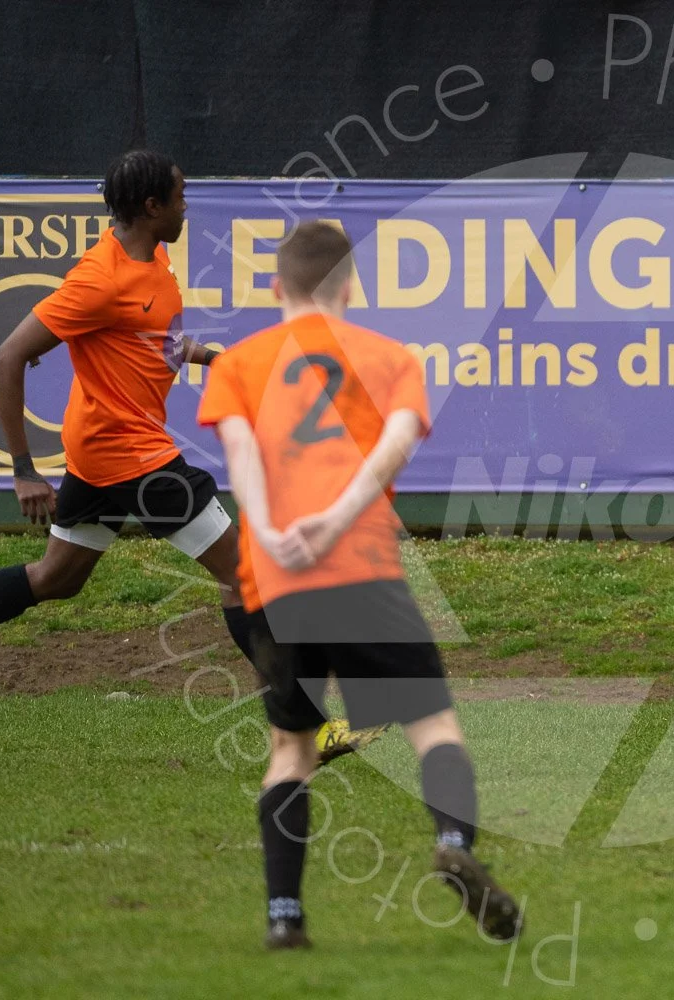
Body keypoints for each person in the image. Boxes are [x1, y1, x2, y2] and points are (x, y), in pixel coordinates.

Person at [0, 149, 375, 760]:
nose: (187, 207)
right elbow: (5, 359)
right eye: (179, 199)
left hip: (101, 457)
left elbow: (154, 340)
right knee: (248, 576)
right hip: (135, 460)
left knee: (54, 579)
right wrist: (23, 471)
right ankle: (306, 728)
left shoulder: (152, 258)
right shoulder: (97, 280)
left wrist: (213, 359)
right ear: (152, 207)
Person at [196, 220, 520, 950]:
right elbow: (395, 443)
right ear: (350, 287)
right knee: (432, 727)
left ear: (277, 288)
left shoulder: (238, 364)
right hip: (364, 568)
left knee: (291, 750)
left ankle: (285, 917)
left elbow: (241, 457)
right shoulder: (391, 357)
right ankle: (454, 844)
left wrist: (273, 529)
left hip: (276, 582)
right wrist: (337, 518)